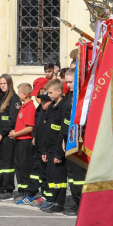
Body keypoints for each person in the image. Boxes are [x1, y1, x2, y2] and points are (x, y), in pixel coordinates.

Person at [39, 79, 69, 213]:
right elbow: (47, 130)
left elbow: (62, 133)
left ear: (59, 91)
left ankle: (60, 202)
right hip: (49, 148)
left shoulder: (64, 107)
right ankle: (54, 200)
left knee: (58, 178)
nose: (49, 95)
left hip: (58, 149)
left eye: (51, 93)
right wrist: (44, 149)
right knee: (51, 176)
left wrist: (59, 154)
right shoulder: (51, 107)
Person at [63, 67, 87, 216]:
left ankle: (82, 204)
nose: (68, 85)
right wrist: (63, 139)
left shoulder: (80, 98)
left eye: (70, 82)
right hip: (69, 139)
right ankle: (77, 201)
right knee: (72, 174)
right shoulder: (69, 96)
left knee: (79, 175)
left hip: (78, 141)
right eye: (66, 82)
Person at [12, 84, 40, 205]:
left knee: (24, 167)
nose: (18, 95)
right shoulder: (24, 107)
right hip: (19, 140)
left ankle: (28, 193)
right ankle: (22, 190)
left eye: (19, 93)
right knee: (19, 166)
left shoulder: (30, 108)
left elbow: (29, 128)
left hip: (25, 141)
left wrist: (16, 133)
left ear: (25, 94)